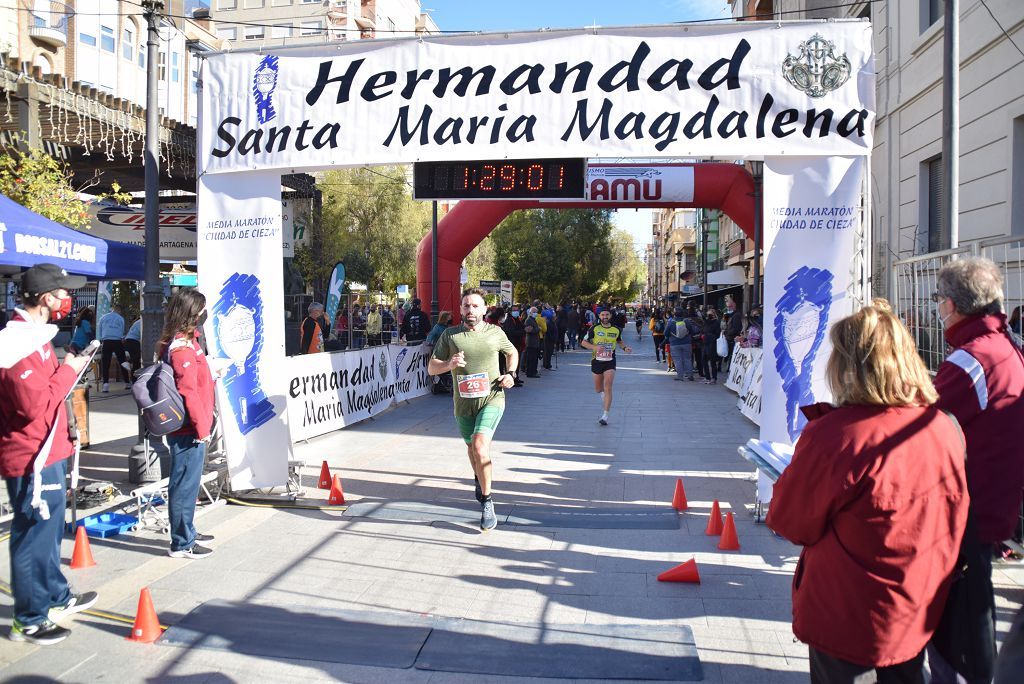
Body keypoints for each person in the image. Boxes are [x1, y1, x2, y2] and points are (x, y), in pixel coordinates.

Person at [767, 299, 969, 684]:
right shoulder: (945, 428)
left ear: (847, 367)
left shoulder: (838, 435)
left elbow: (791, 523)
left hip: (849, 615)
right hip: (918, 606)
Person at [928, 258, 1024, 683]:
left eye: (938, 299)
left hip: (968, 506)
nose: (938, 307)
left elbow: (924, 419)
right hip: (992, 498)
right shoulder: (1005, 345)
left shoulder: (971, 360)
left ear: (952, 303)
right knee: (973, 607)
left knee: (959, 615)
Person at [1, 264, 98, 645]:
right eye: (62, 293)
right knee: (33, 536)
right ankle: (29, 618)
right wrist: (68, 370)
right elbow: (34, 404)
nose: (66, 299)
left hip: (47, 451)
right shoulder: (15, 342)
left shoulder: (34, 337)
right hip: (31, 458)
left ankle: (55, 596)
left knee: (47, 532)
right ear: (46, 299)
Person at [428, 288, 518, 531]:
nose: (470, 310)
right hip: (463, 403)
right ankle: (479, 477)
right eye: (466, 306)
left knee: (480, 445)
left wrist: (510, 374)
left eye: (476, 306)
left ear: (485, 309)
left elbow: (512, 352)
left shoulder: (495, 332)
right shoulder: (450, 335)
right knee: (472, 449)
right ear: (460, 309)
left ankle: (487, 502)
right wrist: (449, 363)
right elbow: (432, 368)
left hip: (492, 397)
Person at [158, 289, 217, 560]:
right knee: (183, 483)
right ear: (194, 313)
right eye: (202, 310)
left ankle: (187, 530)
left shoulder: (187, 342)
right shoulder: (181, 347)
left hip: (194, 424)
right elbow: (188, 391)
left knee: (189, 483)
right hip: (189, 428)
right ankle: (182, 542)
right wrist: (202, 429)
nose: (205, 314)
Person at [580, 308, 632, 426]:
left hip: (610, 361)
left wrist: (625, 348)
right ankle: (602, 393)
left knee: (608, 386)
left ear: (610, 316)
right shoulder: (594, 328)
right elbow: (583, 342)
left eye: (607, 315)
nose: (605, 317)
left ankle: (605, 415)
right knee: (598, 389)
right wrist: (595, 348)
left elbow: (619, 341)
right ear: (599, 316)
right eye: (602, 315)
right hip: (596, 361)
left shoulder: (616, 329)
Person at [97, 303, 128, 392]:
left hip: (106, 341)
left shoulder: (103, 317)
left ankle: (105, 385)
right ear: (119, 310)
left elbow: (100, 330)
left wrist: (101, 339)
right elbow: (122, 331)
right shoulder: (120, 318)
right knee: (122, 361)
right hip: (117, 341)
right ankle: (127, 382)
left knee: (105, 363)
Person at [665, 308, 695, 381]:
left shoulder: (671, 322)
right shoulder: (686, 321)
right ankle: (690, 375)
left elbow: (666, 333)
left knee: (677, 360)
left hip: (674, 344)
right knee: (687, 359)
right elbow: (692, 331)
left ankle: (680, 376)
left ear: (674, 314)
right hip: (687, 343)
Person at [502, 306, 526, 386]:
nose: (516, 312)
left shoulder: (517, 320)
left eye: (517, 310)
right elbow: (511, 332)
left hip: (518, 343)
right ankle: (512, 379)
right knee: (512, 363)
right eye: (514, 310)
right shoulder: (509, 320)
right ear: (510, 311)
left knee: (517, 362)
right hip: (512, 343)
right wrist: (523, 331)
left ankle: (516, 378)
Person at [701, 308, 721, 384]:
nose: (708, 316)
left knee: (713, 362)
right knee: (703, 360)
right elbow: (704, 329)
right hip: (705, 343)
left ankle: (714, 378)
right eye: (708, 314)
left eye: (710, 315)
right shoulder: (706, 322)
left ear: (713, 315)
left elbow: (717, 333)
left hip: (712, 344)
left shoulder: (716, 322)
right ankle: (707, 377)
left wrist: (709, 336)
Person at [523, 307, 542, 378]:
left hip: (535, 342)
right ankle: (530, 372)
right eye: (534, 312)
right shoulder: (528, 320)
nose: (535, 313)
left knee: (534, 358)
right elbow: (529, 330)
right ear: (530, 312)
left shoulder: (533, 319)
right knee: (531, 358)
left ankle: (533, 371)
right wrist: (538, 329)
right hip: (531, 342)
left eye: (536, 312)